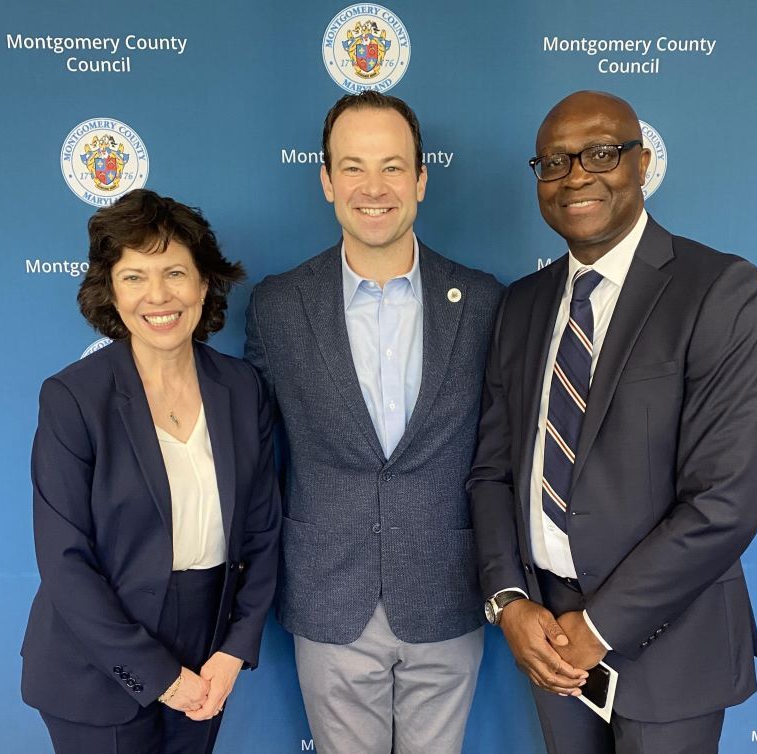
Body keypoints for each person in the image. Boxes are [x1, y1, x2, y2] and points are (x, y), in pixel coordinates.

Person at [467, 91, 757, 753]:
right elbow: (493, 471)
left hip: (672, 647)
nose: (576, 175)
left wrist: (598, 628)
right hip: (547, 639)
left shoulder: (717, 289)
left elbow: (724, 501)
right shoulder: (521, 306)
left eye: (600, 153)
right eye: (553, 162)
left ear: (641, 163)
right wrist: (509, 600)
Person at [245, 91, 503, 754]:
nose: (373, 188)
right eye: (353, 167)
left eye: (392, 167)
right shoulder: (277, 306)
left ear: (420, 177)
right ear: (327, 180)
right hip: (328, 594)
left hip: (446, 589)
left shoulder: (482, 302)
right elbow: (253, 453)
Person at [21, 189, 281, 753]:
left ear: (204, 283)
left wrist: (234, 649)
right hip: (95, 666)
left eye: (174, 273)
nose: (158, 295)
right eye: (134, 276)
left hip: (208, 650)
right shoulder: (73, 398)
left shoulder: (242, 387)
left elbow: (263, 531)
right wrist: (159, 676)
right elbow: (64, 560)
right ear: (111, 291)